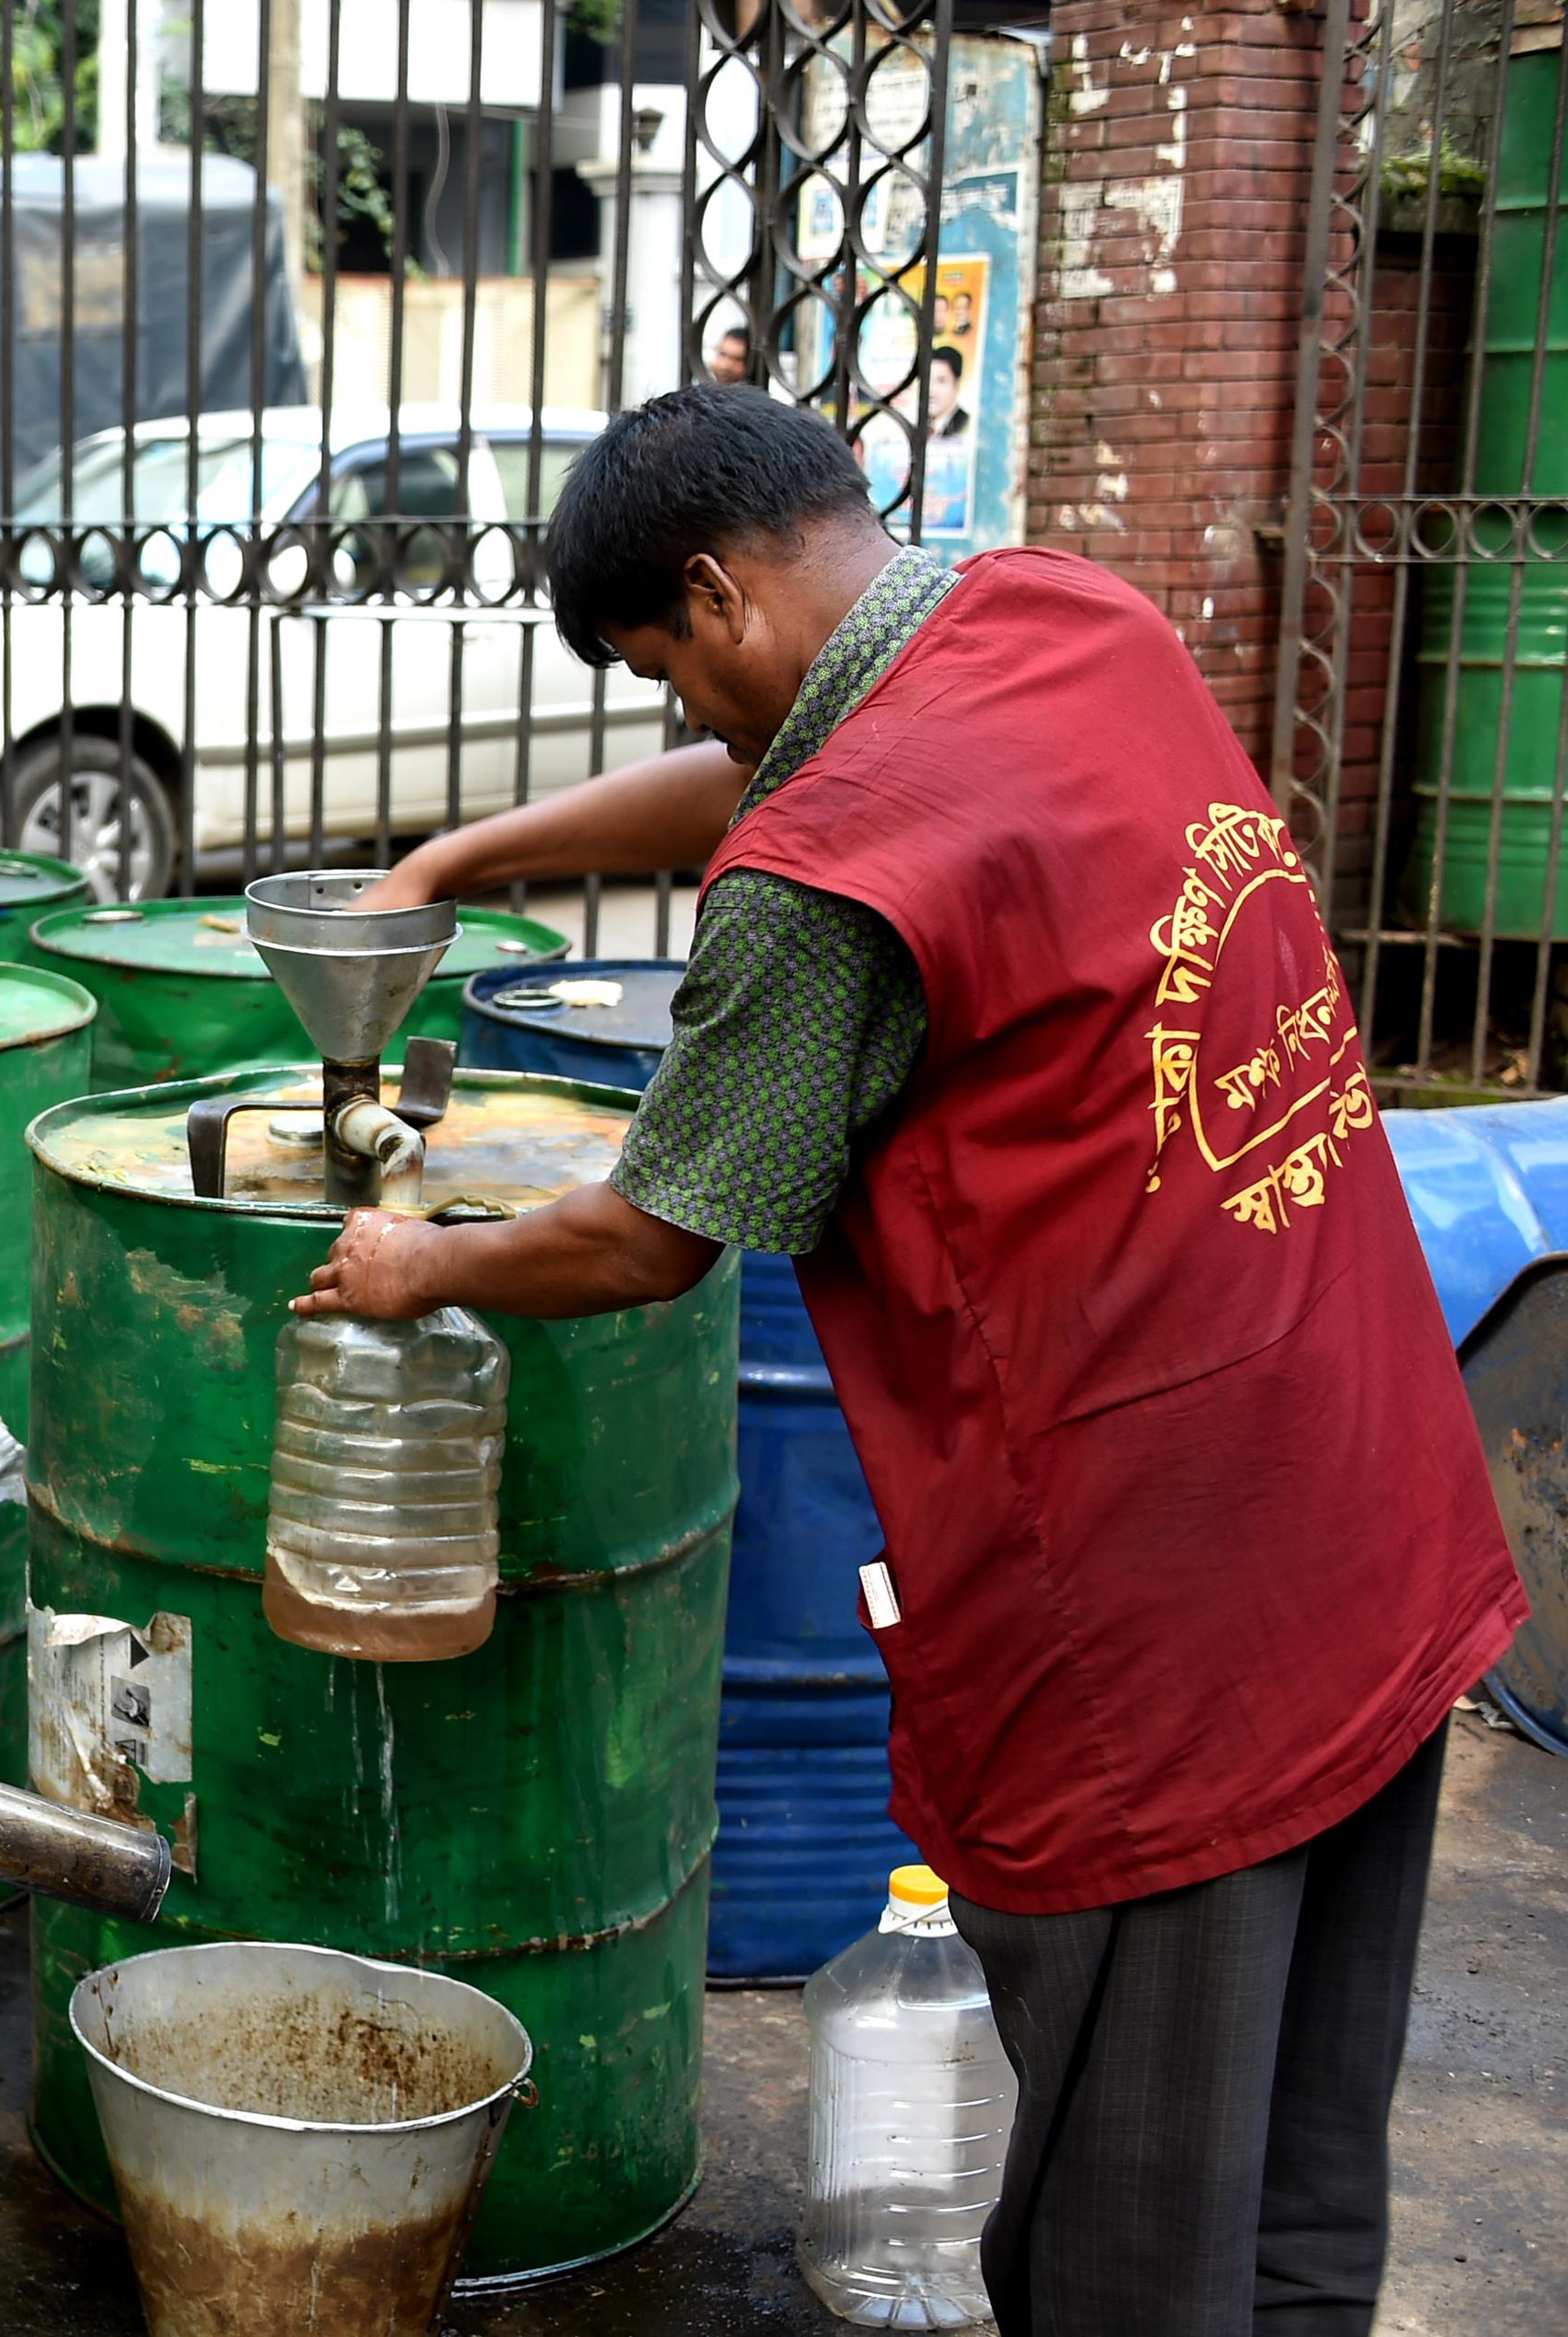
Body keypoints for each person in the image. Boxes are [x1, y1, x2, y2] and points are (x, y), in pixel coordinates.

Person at [329, 384, 1521, 2336]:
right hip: (1374, 1511)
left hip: (1165, 1624)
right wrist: (468, 854)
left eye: (667, 672)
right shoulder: (1069, 623)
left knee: (1128, 2248)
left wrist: (412, 1265)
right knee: (1300, 2195)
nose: (694, 726)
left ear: (713, 592)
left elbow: (647, 1235)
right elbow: (794, 773)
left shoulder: (821, 886)